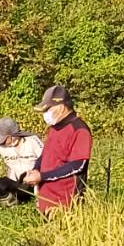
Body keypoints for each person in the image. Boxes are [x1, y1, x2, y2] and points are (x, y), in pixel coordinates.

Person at [26, 85, 93, 215]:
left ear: (61, 108)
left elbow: (78, 165)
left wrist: (43, 176)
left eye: (47, 110)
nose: (45, 115)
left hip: (66, 202)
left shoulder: (79, 130)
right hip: (46, 198)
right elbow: (45, 155)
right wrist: (36, 169)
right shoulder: (54, 128)